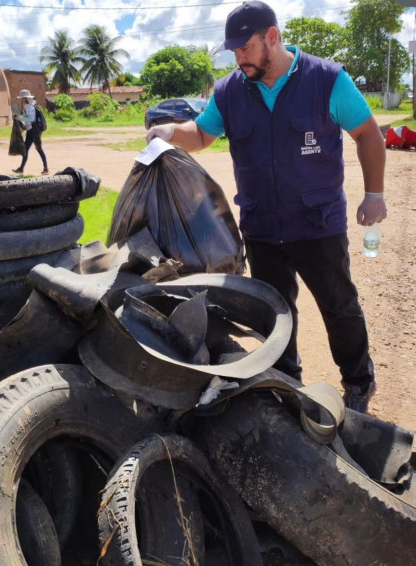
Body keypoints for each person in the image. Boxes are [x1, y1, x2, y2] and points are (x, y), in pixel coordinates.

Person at [146, 0, 387, 413]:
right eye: (234, 51)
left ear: (272, 38)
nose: (239, 58)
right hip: (261, 225)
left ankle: (359, 380)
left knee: (339, 306)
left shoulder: (327, 80)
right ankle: (287, 380)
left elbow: (368, 134)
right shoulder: (230, 91)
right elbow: (203, 134)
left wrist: (375, 194)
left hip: (318, 224)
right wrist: (171, 132)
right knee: (276, 313)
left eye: (245, 48)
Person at [12, 89, 49, 175]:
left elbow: (30, 119)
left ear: (25, 98)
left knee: (32, 149)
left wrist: (19, 118)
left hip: (32, 131)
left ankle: (22, 169)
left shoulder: (28, 107)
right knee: (37, 149)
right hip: (32, 130)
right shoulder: (29, 106)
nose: (21, 99)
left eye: (22, 98)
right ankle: (22, 168)